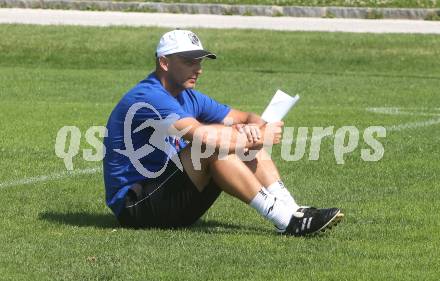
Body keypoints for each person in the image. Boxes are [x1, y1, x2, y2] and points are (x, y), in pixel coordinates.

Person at [103, 29, 343, 236]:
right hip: (135, 207)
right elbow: (203, 138)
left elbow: (247, 118)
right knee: (215, 144)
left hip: (169, 200)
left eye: (200, 61)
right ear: (164, 63)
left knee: (239, 135)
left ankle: (293, 211)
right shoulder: (148, 97)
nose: (198, 69)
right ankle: (286, 221)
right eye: (189, 61)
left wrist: (256, 129)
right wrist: (258, 136)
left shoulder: (189, 97)